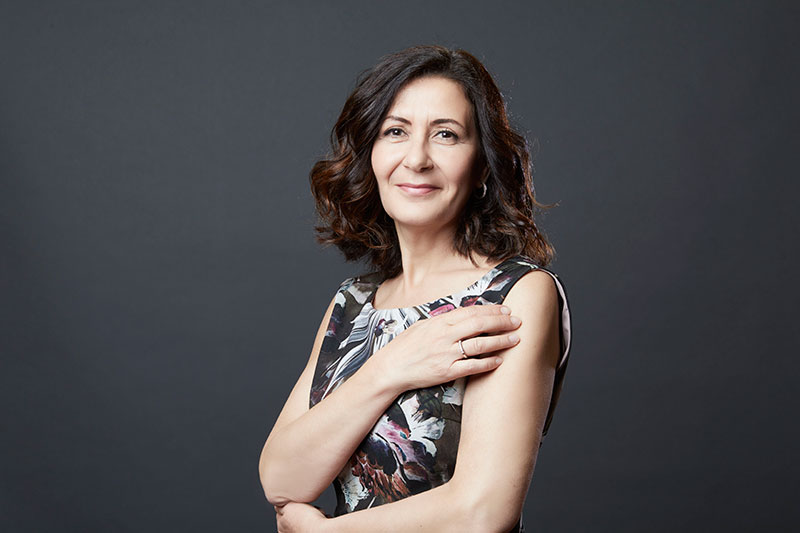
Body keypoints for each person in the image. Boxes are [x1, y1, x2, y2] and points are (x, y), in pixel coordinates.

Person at [258, 44, 572, 532]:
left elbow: (482, 512)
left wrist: (326, 532)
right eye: (395, 131)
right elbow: (281, 479)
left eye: (446, 134)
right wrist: (390, 369)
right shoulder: (353, 302)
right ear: (372, 154)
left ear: (482, 165)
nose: (417, 158)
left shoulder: (516, 293)